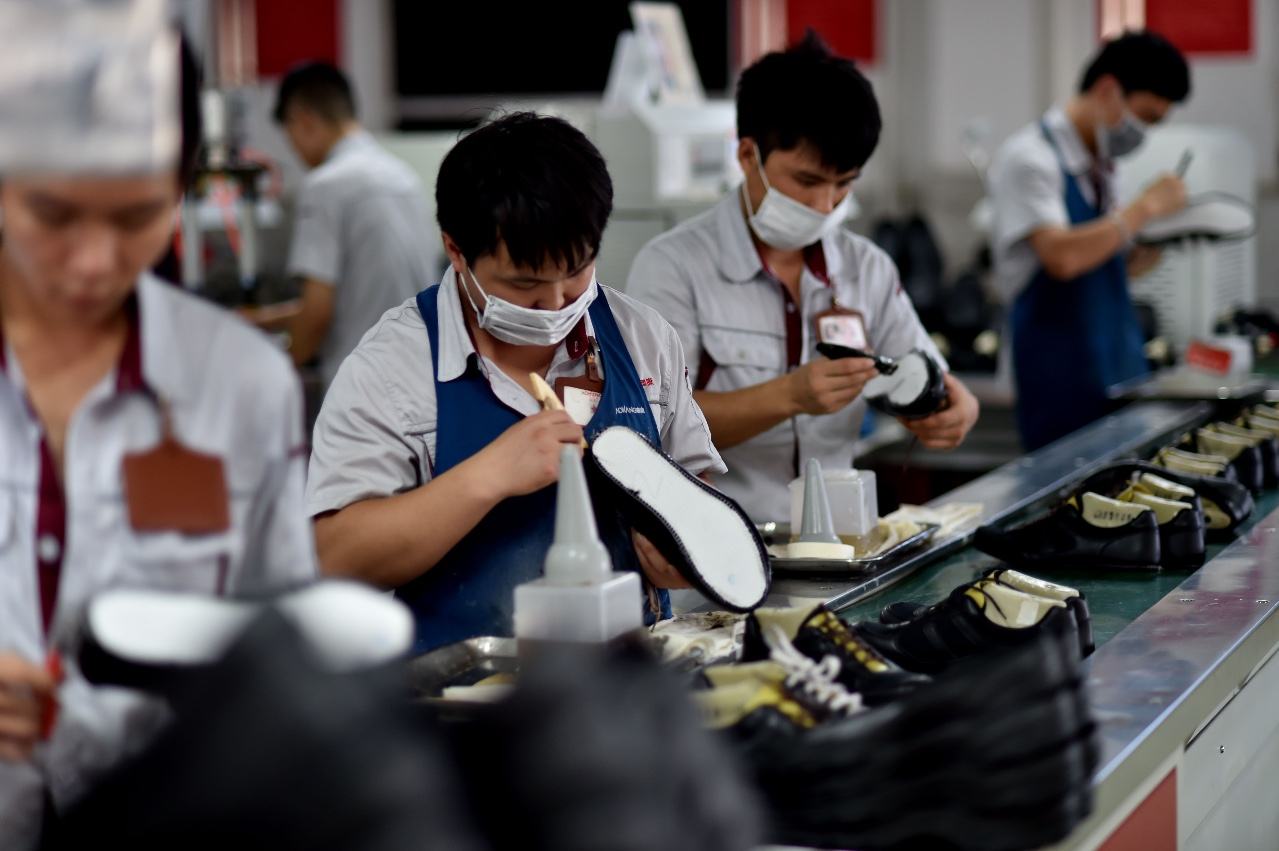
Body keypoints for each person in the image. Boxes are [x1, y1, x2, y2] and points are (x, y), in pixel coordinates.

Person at [0, 11, 315, 846]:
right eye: (54, 214)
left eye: (136, 215)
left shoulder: (240, 385)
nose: (93, 261)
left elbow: (279, 645)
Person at [306, 112, 723, 651]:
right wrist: (488, 476)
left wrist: (682, 547)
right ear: (456, 250)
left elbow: (698, 490)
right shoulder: (392, 368)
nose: (556, 303)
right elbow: (337, 557)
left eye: (577, 271)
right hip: (464, 691)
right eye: (525, 284)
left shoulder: (642, 338)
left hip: (633, 683)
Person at [627, 34, 979, 523]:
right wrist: (788, 397)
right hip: (716, 539)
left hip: (840, 541)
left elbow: (925, 373)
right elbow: (651, 424)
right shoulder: (673, 266)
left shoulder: (867, 268)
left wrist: (954, 409)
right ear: (747, 156)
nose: (824, 205)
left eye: (844, 184)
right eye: (807, 181)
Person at [987, 30, 1191, 451]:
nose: (1142, 133)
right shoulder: (1031, 158)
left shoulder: (1103, 165)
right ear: (1107, 90)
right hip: (1059, 378)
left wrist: (1157, 244)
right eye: (1144, 117)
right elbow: (1061, 257)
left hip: (1117, 364)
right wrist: (1144, 208)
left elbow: (1107, 262)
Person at [244, 61, 437, 392]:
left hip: (361, 389)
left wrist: (277, 375)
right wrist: (265, 319)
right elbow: (359, 296)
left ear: (304, 120)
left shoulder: (326, 186)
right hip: (420, 378)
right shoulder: (403, 177)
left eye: (289, 134)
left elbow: (318, 311)